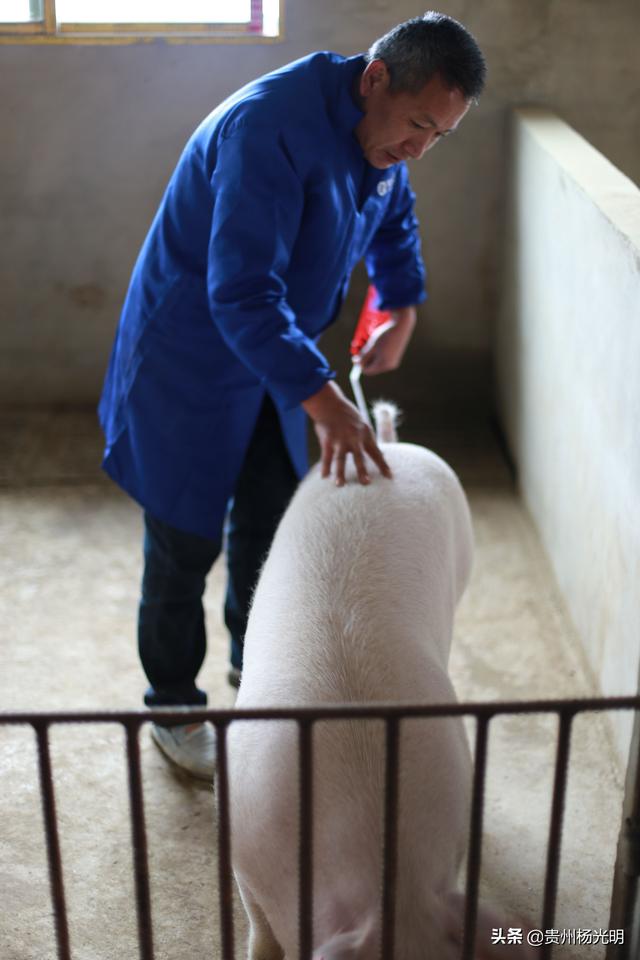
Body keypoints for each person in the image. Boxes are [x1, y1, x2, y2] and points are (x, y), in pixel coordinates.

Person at [98, 12, 486, 779]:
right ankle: (173, 704)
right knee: (183, 540)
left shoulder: (380, 139)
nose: (418, 148)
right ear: (375, 78)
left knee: (271, 522)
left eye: (437, 137)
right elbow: (240, 291)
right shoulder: (268, 127)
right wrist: (326, 399)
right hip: (193, 360)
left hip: (278, 360)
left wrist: (401, 303)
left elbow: (393, 210)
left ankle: (262, 675)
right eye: (415, 125)